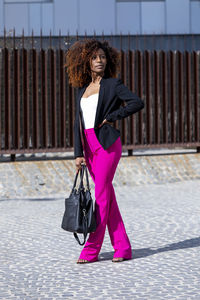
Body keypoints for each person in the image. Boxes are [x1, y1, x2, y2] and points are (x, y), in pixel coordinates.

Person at [66, 39, 144, 264]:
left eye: (102, 57)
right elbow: (78, 123)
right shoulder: (81, 89)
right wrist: (78, 153)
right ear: (86, 62)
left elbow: (136, 103)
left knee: (100, 196)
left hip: (107, 145)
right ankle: (123, 247)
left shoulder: (112, 84)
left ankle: (91, 250)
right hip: (88, 147)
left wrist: (112, 117)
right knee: (107, 196)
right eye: (94, 57)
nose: (99, 61)